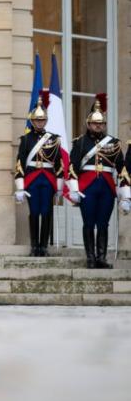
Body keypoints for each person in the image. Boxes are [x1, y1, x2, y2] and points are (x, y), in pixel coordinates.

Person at [67, 93, 128, 269]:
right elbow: (72, 167)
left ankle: (101, 257)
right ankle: (91, 258)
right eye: (95, 123)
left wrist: (125, 195)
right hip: (87, 187)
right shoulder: (80, 143)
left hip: (107, 188)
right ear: (88, 124)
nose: (98, 126)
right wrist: (74, 189)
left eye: (101, 124)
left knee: (103, 223)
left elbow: (122, 169)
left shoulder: (114, 143)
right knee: (89, 223)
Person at [14, 93, 64, 257]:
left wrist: (59, 187)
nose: (40, 122)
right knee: (35, 212)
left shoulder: (54, 140)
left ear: (46, 121)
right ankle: (34, 246)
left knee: (47, 212)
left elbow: (59, 164)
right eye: (37, 120)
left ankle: (44, 247)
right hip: (32, 179)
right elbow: (20, 162)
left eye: (42, 120)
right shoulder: (26, 139)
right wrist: (20, 187)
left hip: (48, 178)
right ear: (32, 121)